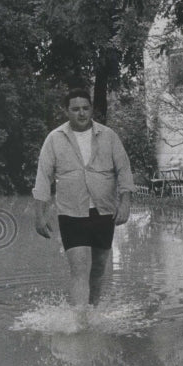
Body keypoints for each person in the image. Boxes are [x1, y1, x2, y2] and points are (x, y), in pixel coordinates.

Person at [33, 87, 135, 318]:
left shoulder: (108, 136)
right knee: (79, 270)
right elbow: (42, 177)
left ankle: (93, 314)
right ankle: (79, 323)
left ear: (91, 109)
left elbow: (124, 170)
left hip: (103, 210)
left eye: (85, 108)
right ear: (66, 111)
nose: (81, 113)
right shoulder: (54, 138)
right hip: (71, 212)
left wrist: (125, 203)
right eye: (75, 109)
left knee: (98, 269)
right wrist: (39, 214)